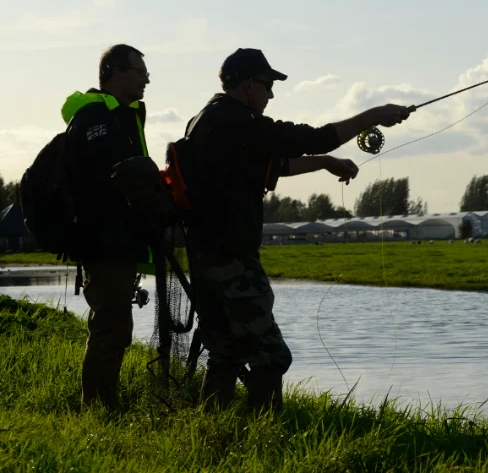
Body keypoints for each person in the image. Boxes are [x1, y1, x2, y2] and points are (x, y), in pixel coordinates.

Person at [183, 48, 413, 410]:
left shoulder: (208, 121)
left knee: (225, 352)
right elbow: (314, 137)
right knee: (270, 356)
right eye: (267, 85)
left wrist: (326, 163)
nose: (271, 95)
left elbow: (272, 169)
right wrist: (373, 116)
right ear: (247, 87)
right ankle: (265, 437)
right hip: (232, 262)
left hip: (206, 257)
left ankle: (213, 431)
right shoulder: (236, 122)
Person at [62, 44, 153, 408]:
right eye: (140, 71)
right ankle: (99, 408)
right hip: (105, 242)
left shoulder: (121, 114)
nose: (146, 79)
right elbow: (110, 182)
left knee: (115, 327)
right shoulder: (98, 119)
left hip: (118, 241)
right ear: (116, 72)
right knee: (111, 328)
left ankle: (102, 404)